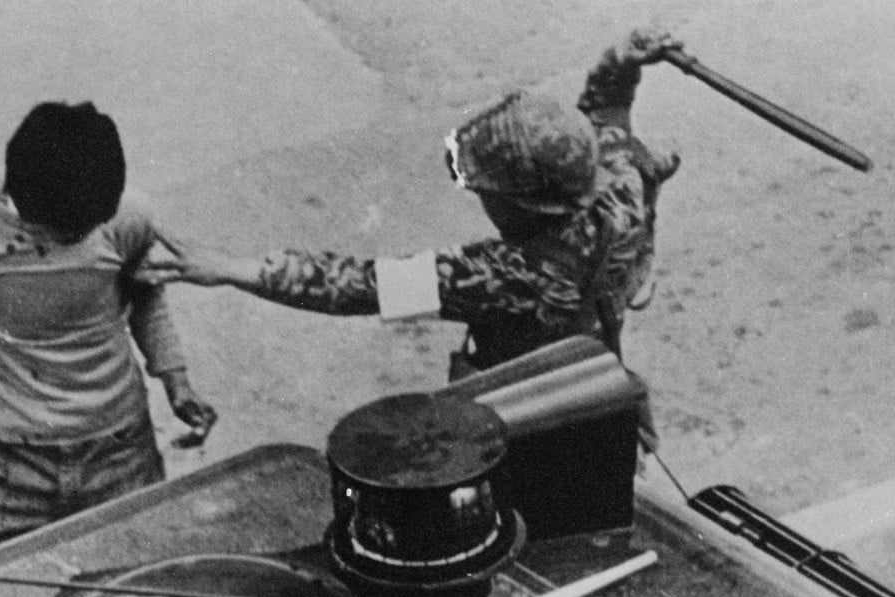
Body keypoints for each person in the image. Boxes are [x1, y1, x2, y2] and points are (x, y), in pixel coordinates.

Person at [138, 28, 680, 380]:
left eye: (485, 188)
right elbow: (607, 112)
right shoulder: (624, 183)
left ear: (524, 203)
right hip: (606, 388)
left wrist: (231, 268)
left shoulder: (504, 277)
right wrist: (621, 62)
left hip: (522, 428)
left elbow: (355, 286)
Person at [0, 101, 218, 563]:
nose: (76, 236)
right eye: (61, 228)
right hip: (3, 465)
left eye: (88, 226)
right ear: (15, 193)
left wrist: (176, 379)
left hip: (120, 453)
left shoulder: (130, 218)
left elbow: (146, 296)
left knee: (144, 596)